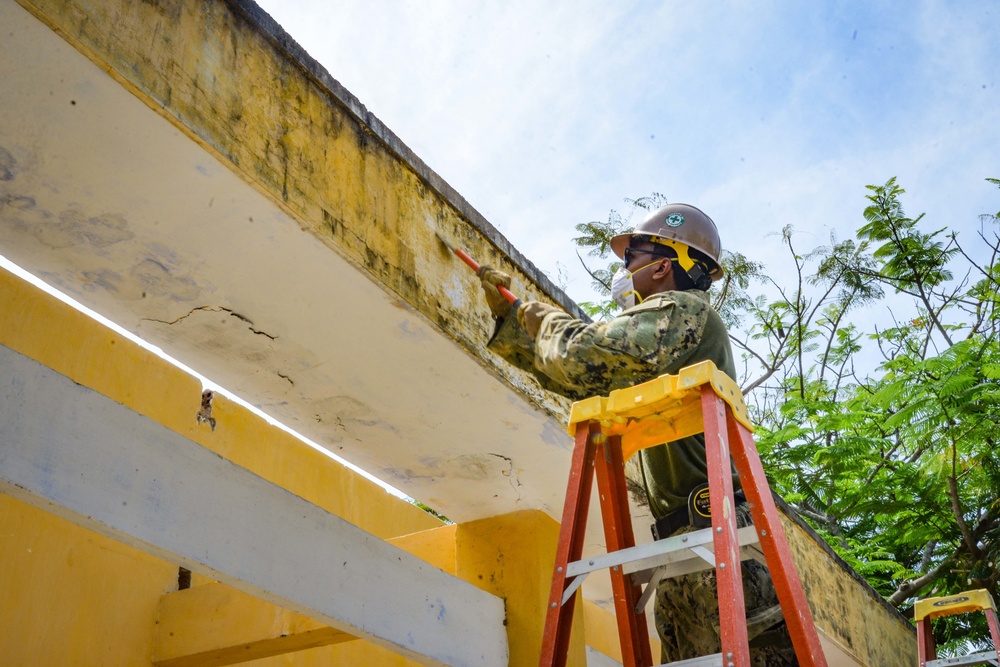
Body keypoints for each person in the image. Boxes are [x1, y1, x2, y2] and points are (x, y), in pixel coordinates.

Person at [478, 203, 796, 666]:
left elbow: (583, 354)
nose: (623, 269)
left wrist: (537, 318)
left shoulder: (682, 310)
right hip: (686, 539)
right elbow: (584, 377)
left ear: (663, 266)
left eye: (631, 257)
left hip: (718, 535)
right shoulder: (660, 345)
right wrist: (513, 326)